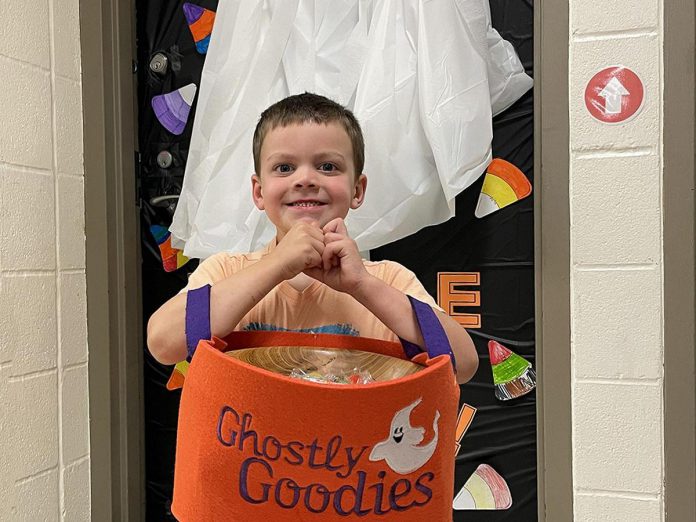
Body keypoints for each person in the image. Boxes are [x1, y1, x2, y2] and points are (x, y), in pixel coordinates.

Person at [147, 93, 478, 383]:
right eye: (285, 168)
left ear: (357, 190)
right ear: (259, 192)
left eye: (328, 167)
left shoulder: (387, 280)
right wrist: (276, 265)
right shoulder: (226, 273)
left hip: (355, 453)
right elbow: (163, 342)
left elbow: (463, 364)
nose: (305, 179)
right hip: (251, 454)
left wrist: (362, 285)